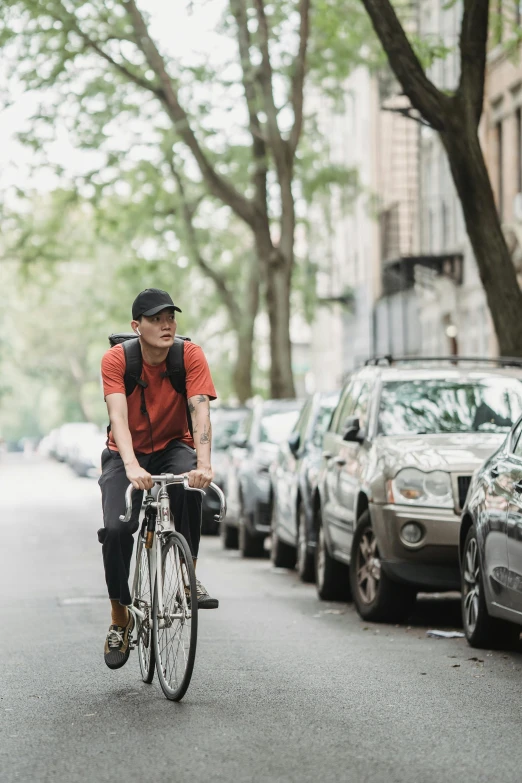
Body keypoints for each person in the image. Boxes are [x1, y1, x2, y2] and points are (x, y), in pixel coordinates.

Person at [98, 288, 218, 670]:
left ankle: (187, 577)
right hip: (125, 453)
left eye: (170, 317)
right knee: (117, 530)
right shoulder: (117, 360)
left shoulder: (190, 355)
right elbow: (118, 417)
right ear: (137, 326)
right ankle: (121, 617)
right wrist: (132, 467)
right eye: (155, 319)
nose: (166, 324)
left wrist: (204, 465)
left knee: (190, 486)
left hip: (172, 446)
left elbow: (200, 412)